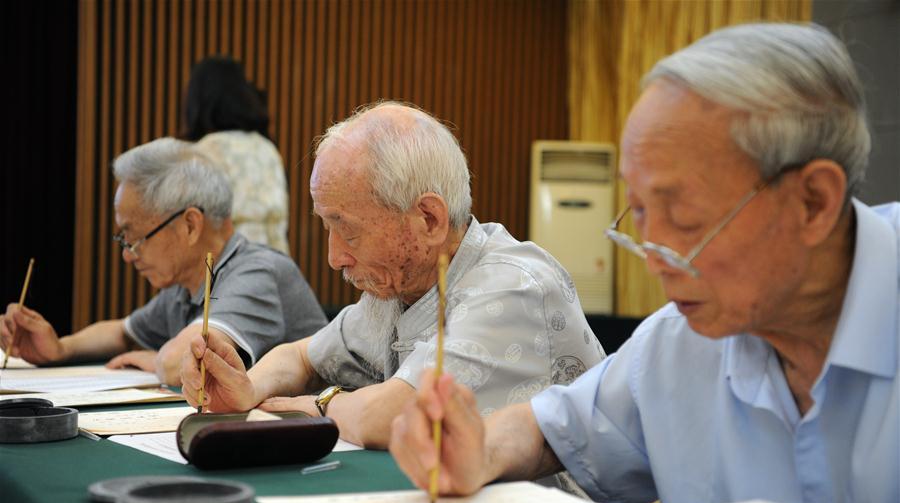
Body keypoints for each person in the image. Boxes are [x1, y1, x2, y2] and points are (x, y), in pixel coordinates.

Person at [389, 23, 900, 503]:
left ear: (812, 202)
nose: (654, 258)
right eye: (637, 213)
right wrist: (477, 449)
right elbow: (552, 428)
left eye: (681, 215)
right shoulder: (680, 343)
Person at [182, 101, 605, 449]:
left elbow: (386, 417)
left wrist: (319, 405)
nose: (334, 257)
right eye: (326, 226)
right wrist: (246, 387)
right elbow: (301, 355)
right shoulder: (402, 287)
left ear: (428, 218)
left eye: (346, 228)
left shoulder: (514, 288)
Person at [0, 138, 327, 385]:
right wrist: (60, 348)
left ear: (190, 225)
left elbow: (182, 360)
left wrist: (155, 358)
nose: (128, 255)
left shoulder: (255, 272)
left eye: (134, 238)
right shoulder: (187, 283)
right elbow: (123, 332)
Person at [182, 56, 290, 254]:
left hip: (231, 268)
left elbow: (193, 227)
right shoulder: (266, 148)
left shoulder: (206, 151)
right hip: (277, 265)